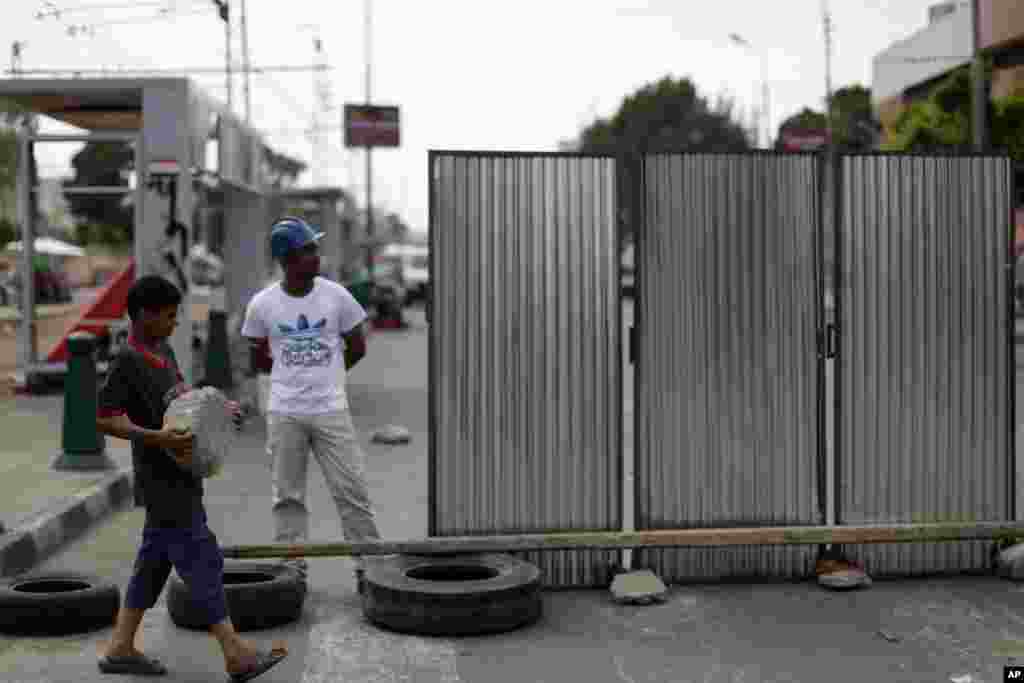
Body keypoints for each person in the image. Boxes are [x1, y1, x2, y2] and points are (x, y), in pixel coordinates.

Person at [95, 274, 288, 681]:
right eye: (167, 316)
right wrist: (156, 437)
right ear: (144, 316)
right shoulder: (126, 360)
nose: (174, 322)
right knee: (201, 559)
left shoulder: (163, 351)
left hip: (182, 474)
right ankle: (236, 653)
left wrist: (221, 407)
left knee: (153, 562)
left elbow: (181, 397)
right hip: (160, 480)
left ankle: (120, 646)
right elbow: (106, 419)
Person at [241, 216, 381, 587]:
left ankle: (370, 567)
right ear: (287, 259)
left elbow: (358, 346)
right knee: (287, 497)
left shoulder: (336, 296)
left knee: (352, 491)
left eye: (315, 249)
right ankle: (292, 569)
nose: (316, 256)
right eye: (307, 251)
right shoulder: (262, 304)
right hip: (285, 412)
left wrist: (330, 374)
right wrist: (289, 372)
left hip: (331, 409)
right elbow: (256, 356)